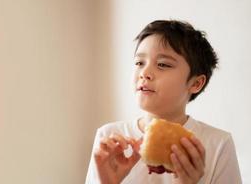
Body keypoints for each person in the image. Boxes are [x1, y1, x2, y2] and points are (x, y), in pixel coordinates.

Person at [85, 20, 242, 184]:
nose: (144, 73)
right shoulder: (109, 138)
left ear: (196, 83)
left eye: (162, 64)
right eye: (139, 62)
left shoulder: (218, 144)